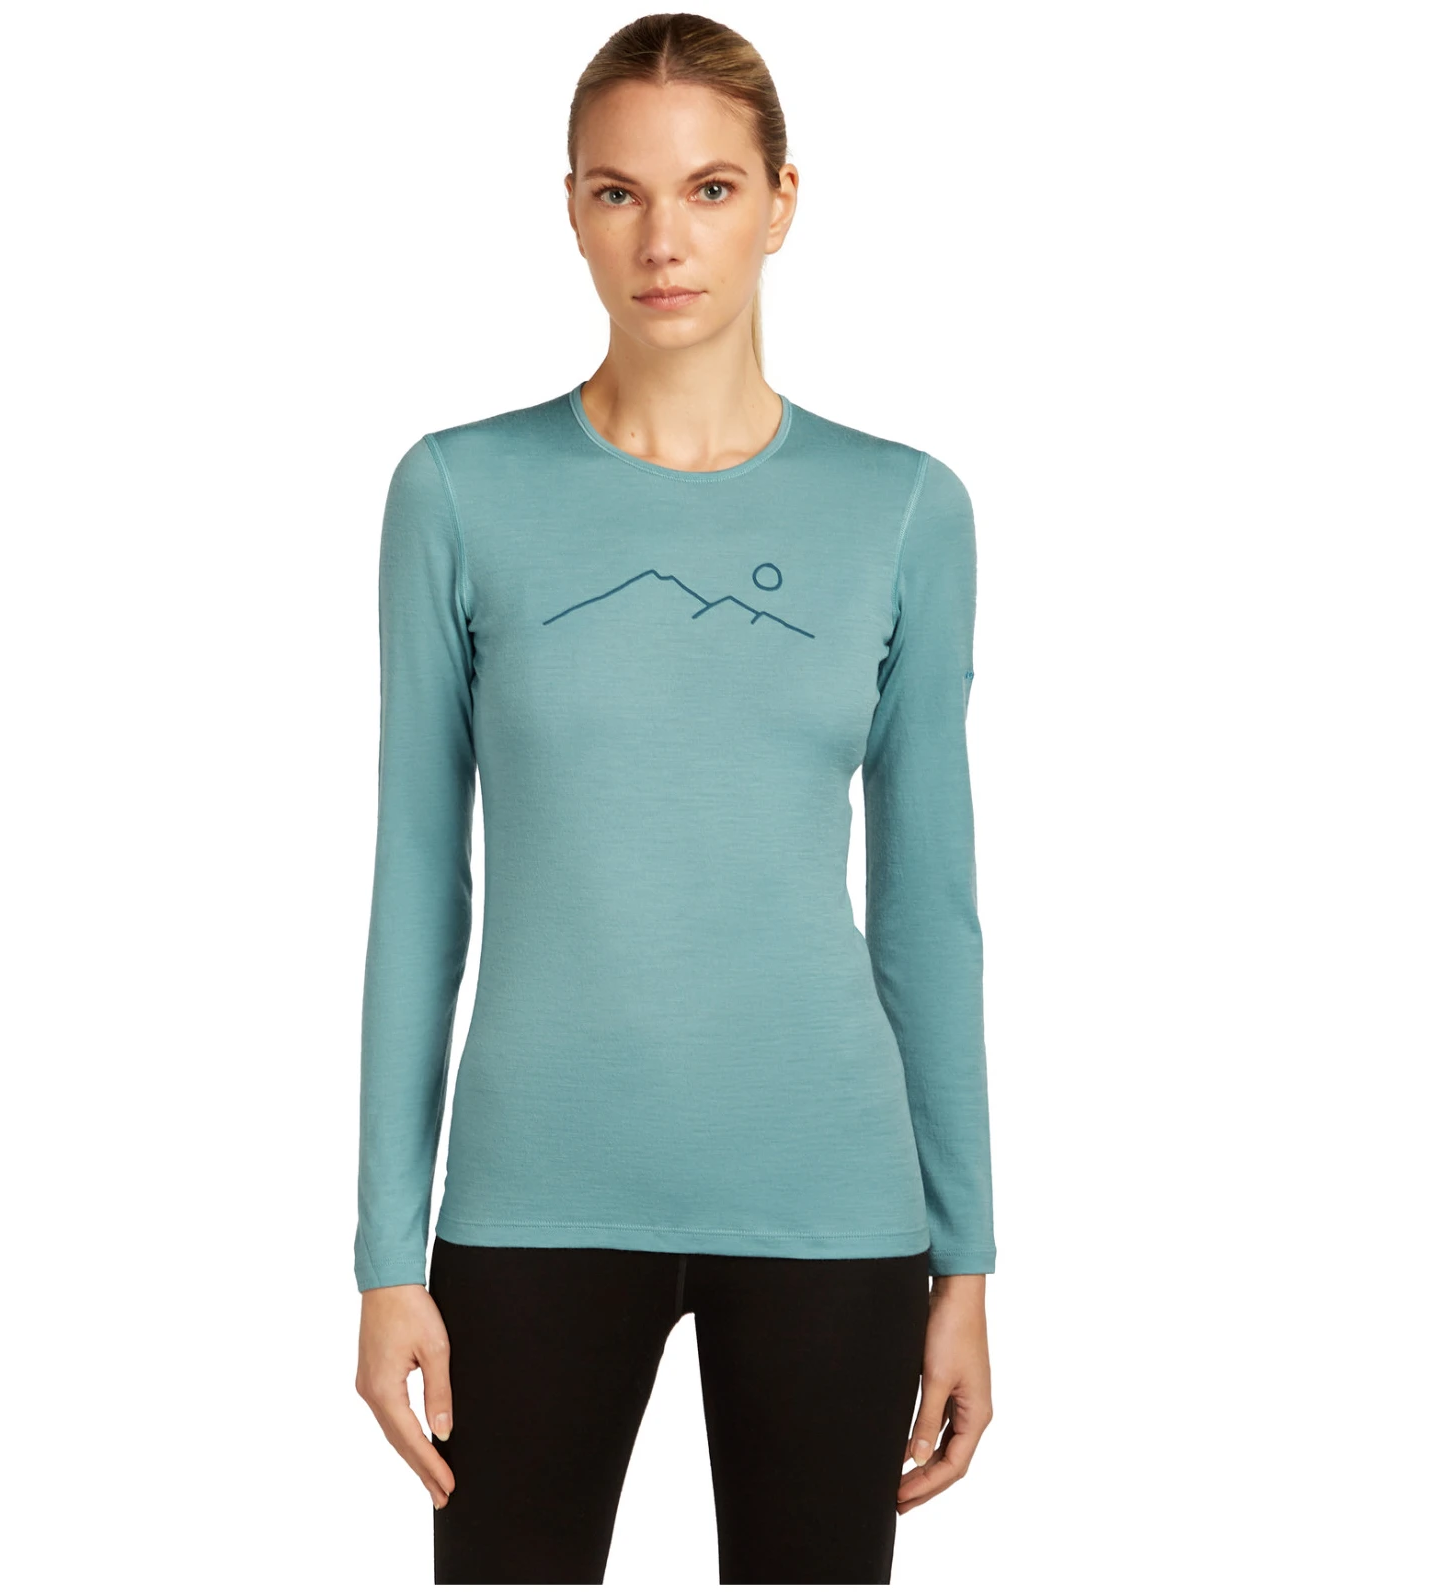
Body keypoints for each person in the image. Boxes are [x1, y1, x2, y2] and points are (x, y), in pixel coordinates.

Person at [352, 12, 996, 1585]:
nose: (663, 240)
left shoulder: (903, 509)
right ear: (571, 209)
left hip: (836, 1207)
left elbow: (928, 908)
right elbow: (419, 883)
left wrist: (968, 1259)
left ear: (782, 202)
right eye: (618, 193)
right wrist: (384, 1254)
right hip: (532, 1202)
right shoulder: (456, 493)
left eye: (710, 189)